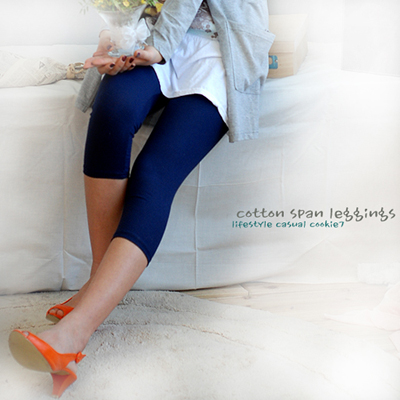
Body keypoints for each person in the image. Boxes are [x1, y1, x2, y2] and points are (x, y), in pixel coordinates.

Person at [8, 0, 275, 397]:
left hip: (222, 48)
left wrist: (157, 47)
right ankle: (99, 285)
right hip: (152, 38)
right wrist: (114, 37)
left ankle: (75, 333)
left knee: (153, 173)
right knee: (111, 113)